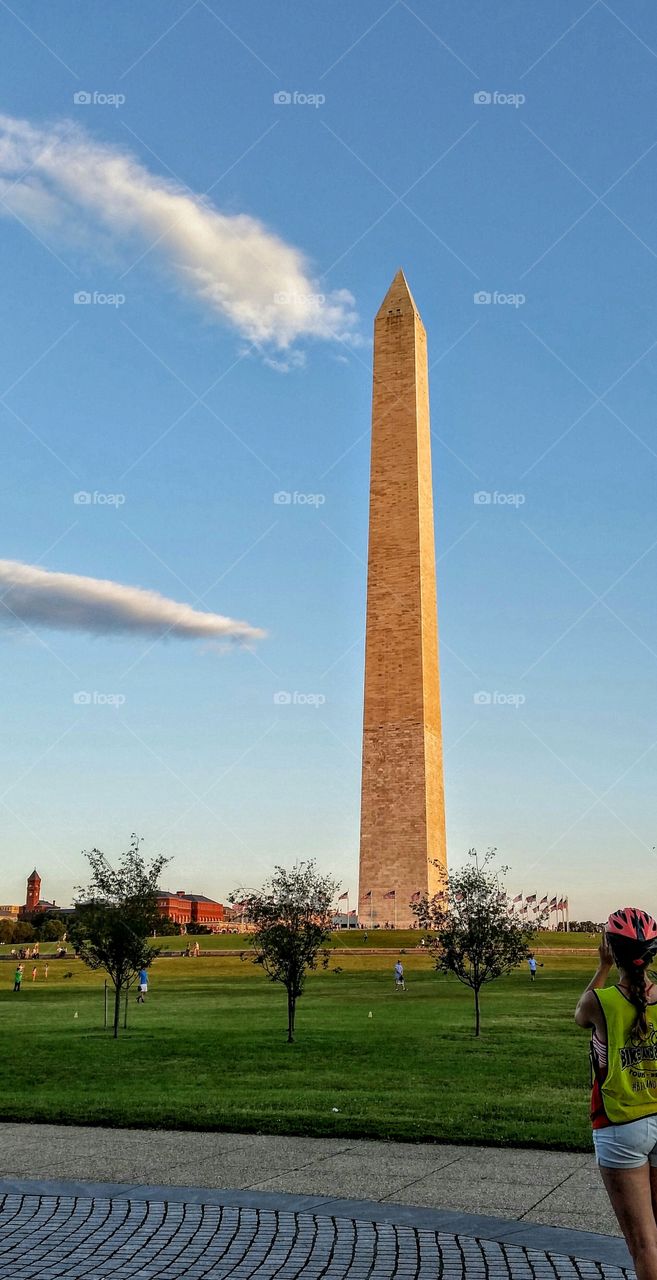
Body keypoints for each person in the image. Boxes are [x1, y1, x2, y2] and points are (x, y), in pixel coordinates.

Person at [575, 907, 657, 1280]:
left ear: (610, 948)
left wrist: (603, 967)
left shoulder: (601, 1001)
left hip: (620, 1123)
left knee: (643, 1242)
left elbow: (579, 1014)